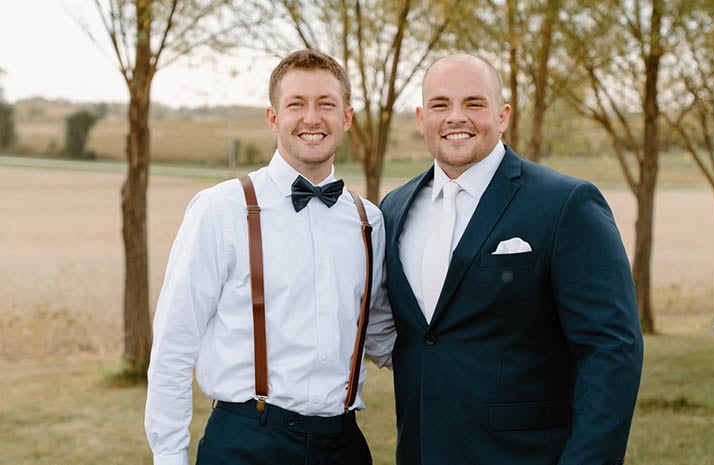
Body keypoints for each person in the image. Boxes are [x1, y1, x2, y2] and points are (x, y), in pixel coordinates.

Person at [380, 53, 644, 465]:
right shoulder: (394, 210)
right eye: (439, 105)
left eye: (474, 103)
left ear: (502, 116)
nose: (455, 117)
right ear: (420, 118)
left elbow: (611, 349)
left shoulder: (565, 204)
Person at [145, 49, 395, 465]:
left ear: (347, 118)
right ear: (273, 118)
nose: (312, 118)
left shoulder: (367, 221)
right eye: (296, 104)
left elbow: (382, 333)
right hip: (246, 442)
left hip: (343, 444)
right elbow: (175, 342)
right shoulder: (220, 209)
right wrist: (169, 457)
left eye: (326, 104)